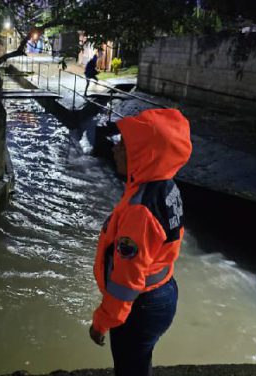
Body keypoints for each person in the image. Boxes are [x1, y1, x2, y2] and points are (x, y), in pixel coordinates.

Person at [89, 109, 192, 376]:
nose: (115, 149)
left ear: (145, 153)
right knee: (139, 361)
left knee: (128, 368)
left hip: (141, 305)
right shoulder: (164, 186)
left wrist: (102, 321)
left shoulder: (140, 211)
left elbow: (126, 282)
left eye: (124, 145)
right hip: (162, 291)